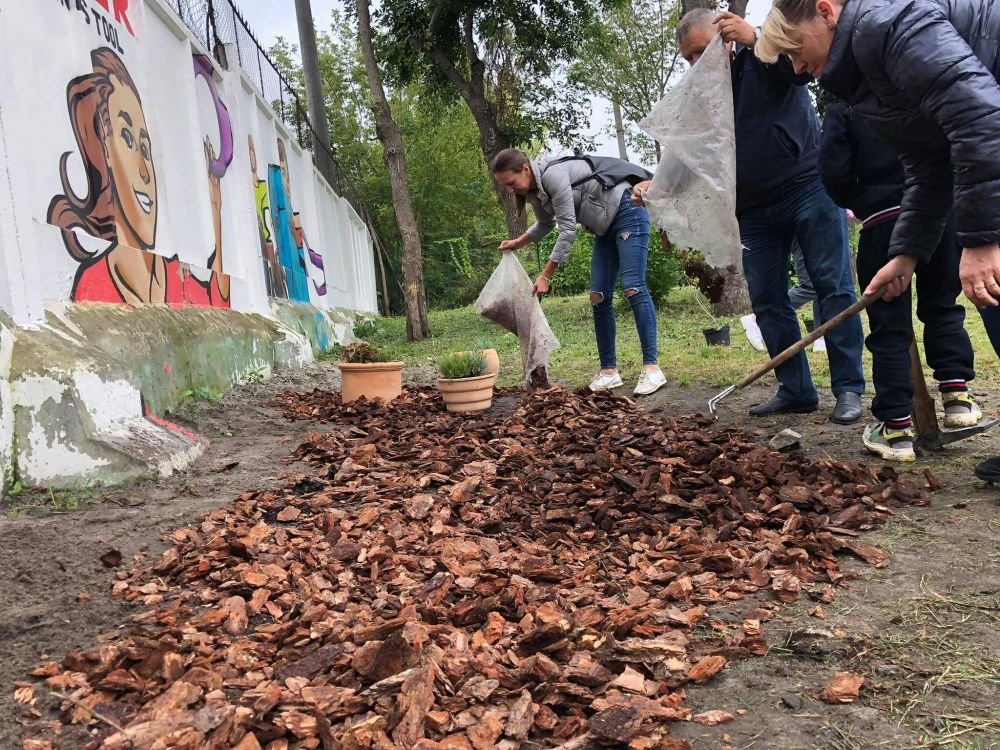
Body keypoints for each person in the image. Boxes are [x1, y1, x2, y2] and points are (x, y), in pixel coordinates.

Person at [754, 0, 1000, 476]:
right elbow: (928, 166)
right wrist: (906, 254)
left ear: (826, 12)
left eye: (796, 49)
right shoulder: (865, 78)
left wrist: (983, 241)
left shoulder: (887, 27)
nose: (798, 67)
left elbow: (980, 119)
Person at [648, 9, 865, 423]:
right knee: (767, 301)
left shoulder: (764, 53)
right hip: (752, 208)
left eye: (700, 52)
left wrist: (756, 37)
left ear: (724, 37)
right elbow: (686, 153)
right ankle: (796, 389)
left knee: (832, 285)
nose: (696, 64)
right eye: (688, 59)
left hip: (807, 184)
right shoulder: (702, 95)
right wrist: (657, 190)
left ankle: (849, 388)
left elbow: (803, 69)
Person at [821, 97, 981, 461]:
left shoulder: (846, 102)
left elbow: (833, 170)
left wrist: (863, 201)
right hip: (941, 215)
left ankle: (896, 429)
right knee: (942, 304)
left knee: (889, 327)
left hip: (885, 219)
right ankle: (957, 395)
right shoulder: (920, 84)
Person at [48, 47, 229, 306]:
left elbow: (219, 301)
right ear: (105, 151)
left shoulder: (175, 275)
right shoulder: (91, 289)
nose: (144, 171)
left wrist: (216, 207)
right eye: (127, 138)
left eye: (145, 147)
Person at [491, 148, 667, 396]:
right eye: (505, 187)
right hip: (603, 227)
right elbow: (545, 224)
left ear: (526, 169)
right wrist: (517, 242)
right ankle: (609, 372)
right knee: (598, 295)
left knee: (633, 286)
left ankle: (652, 369)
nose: (510, 190)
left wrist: (545, 275)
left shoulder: (553, 175)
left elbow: (567, 231)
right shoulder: (534, 192)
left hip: (628, 211)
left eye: (511, 183)